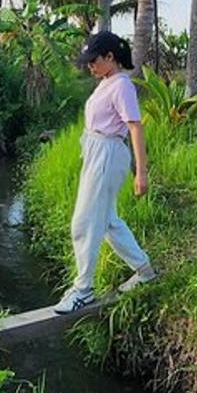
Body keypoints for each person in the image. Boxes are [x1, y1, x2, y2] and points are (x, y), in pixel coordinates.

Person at [53, 31, 156, 314]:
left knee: (84, 222)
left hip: (108, 155)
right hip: (98, 152)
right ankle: (144, 270)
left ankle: (83, 290)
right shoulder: (107, 82)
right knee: (107, 220)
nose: (90, 66)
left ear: (110, 57)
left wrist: (141, 173)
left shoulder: (121, 85)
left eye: (94, 60)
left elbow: (135, 126)